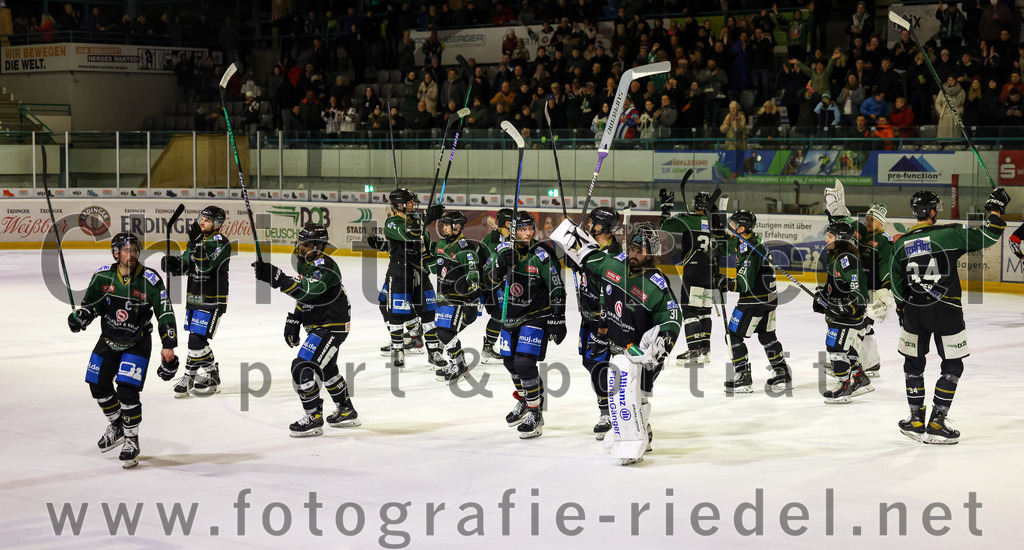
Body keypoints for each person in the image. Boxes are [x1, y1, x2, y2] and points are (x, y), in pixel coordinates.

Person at [889, 188, 1010, 444]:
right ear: (932, 211)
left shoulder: (900, 244)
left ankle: (915, 420)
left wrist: (903, 310)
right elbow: (989, 235)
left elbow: (896, 285)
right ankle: (936, 422)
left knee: (913, 364)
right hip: (947, 311)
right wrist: (996, 209)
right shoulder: (949, 234)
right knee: (952, 365)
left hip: (914, 312)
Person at [554, 221, 682, 461]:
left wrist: (664, 341)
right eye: (633, 249)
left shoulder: (656, 283)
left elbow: (672, 316)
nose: (634, 255)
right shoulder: (615, 265)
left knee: (635, 395)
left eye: (640, 251)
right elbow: (590, 259)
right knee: (618, 395)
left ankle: (638, 438)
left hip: (642, 353)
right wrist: (574, 245)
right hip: (617, 348)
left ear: (651, 254)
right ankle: (634, 430)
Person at [68, 232, 178, 468]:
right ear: (116, 253)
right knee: (97, 386)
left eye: (135, 250)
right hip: (108, 339)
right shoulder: (102, 277)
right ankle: (117, 425)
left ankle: (131, 439)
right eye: (127, 250)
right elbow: (91, 306)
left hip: (137, 342)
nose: (132, 254)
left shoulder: (149, 279)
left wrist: (168, 345)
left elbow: (165, 311)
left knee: (127, 391)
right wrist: (80, 317)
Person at [252, 224, 359, 437]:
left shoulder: (325, 265)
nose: (301, 247)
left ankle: (313, 417)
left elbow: (310, 291)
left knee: (302, 367)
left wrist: (279, 279)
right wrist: (295, 318)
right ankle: (346, 410)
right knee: (328, 369)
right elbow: (306, 296)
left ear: (319, 246)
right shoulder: (307, 265)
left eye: (307, 244)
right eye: (301, 243)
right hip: (324, 324)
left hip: (331, 327)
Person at [490, 211, 566, 439]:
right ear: (513, 231)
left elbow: (556, 286)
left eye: (530, 228)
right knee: (510, 362)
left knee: (524, 363)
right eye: (522, 229)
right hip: (511, 314)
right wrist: (500, 267)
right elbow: (490, 281)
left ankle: (535, 412)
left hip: (537, 315)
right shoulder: (503, 250)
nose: (528, 233)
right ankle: (525, 400)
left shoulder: (543, 254)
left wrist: (558, 317)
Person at [368, 188, 446, 369]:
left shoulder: (415, 220)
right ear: (399, 205)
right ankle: (398, 350)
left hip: (419, 271)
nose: (413, 204)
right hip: (400, 272)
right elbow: (409, 235)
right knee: (396, 313)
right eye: (410, 202)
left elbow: (424, 244)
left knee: (428, 312)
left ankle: (433, 352)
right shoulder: (392, 222)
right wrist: (427, 218)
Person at [716, 211, 792, 393]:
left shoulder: (749, 248)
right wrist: (717, 231)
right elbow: (725, 245)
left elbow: (743, 284)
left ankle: (743, 377)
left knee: (733, 335)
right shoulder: (751, 241)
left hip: (754, 300)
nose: (730, 225)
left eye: (733, 224)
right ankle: (782, 372)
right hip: (769, 298)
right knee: (767, 336)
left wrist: (724, 283)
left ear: (741, 228)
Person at [160, 206, 231, 397]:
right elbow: (186, 265)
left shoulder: (221, 243)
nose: (201, 222)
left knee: (195, 340)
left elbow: (206, 266)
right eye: (202, 218)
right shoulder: (196, 241)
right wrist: (174, 265)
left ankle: (188, 376)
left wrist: (198, 244)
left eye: (207, 220)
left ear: (217, 224)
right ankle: (211, 375)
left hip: (213, 298)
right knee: (197, 341)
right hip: (194, 297)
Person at [569, 207, 623, 439]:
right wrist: (571, 251)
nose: (589, 224)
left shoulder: (613, 253)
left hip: (607, 320)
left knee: (600, 363)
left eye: (593, 222)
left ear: (603, 227)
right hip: (588, 316)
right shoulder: (589, 243)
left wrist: (603, 320)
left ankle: (609, 413)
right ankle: (608, 407)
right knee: (590, 362)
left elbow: (609, 290)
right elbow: (575, 264)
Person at [813, 219, 873, 404]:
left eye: (829, 237)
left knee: (835, 348)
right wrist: (822, 296)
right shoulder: (836, 257)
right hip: (839, 314)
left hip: (848, 315)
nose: (826, 240)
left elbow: (859, 292)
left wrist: (845, 306)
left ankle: (844, 385)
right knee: (845, 349)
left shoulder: (847, 260)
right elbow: (836, 285)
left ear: (839, 239)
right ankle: (860, 378)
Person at [659, 191, 715, 364]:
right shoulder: (716, 223)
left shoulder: (689, 219)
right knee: (705, 311)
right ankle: (705, 350)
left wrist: (666, 208)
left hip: (694, 271)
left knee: (690, 310)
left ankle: (693, 350)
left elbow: (664, 227)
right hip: (711, 272)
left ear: (695, 205)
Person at [430, 211, 481, 383]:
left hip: (460, 299)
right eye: (443, 225)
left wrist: (472, 298)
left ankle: (459, 365)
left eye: (448, 225)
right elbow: (433, 267)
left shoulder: (464, 248)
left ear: (458, 226)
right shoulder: (442, 244)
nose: (444, 228)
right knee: (443, 332)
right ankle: (456, 363)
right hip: (444, 298)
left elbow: (473, 273)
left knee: (444, 332)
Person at [477, 209, 514, 363]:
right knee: (499, 313)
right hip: (487, 282)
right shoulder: (494, 238)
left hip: (497, 282)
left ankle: (490, 346)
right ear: (507, 223)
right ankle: (488, 347)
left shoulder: (510, 238)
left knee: (503, 313)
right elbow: (493, 263)